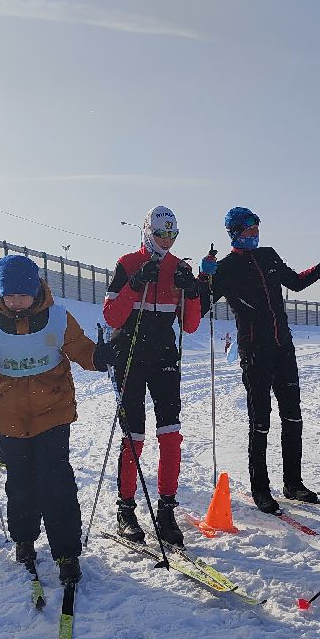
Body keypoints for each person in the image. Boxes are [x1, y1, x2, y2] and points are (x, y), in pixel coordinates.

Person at [0, 255, 117, 586]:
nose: (16, 301)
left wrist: (97, 357)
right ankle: (24, 539)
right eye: (10, 295)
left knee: (56, 482)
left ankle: (66, 551)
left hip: (53, 412)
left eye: (23, 294)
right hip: (10, 416)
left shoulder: (58, 317)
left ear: (36, 291)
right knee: (20, 484)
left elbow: (79, 348)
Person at [198, 207, 320, 514]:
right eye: (249, 230)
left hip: (284, 348)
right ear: (235, 233)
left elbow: (297, 282)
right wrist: (204, 277)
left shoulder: (268, 256)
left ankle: (293, 483)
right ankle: (261, 489)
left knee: (293, 417)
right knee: (261, 422)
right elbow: (201, 307)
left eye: (257, 228)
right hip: (255, 352)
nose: (255, 234)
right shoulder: (225, 268)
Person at [102, 206, 202, 547]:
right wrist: (134, 284)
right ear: (148, 231)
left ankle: (166, 509)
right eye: (162, 234)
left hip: (163, 357)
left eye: (173, 235)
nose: (167, 241)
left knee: (170, 435)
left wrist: (192, 293)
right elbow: (113, 317)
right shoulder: (128, 263)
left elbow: (189, 325)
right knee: (135, 436)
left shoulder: (181, 268)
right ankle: (126, 508)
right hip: (129, 355)